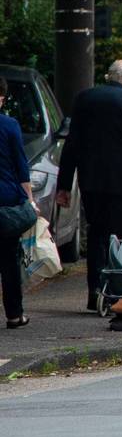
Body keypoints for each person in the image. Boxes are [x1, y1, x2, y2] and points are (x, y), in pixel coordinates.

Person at [57, 59, 122, 313]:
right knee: (118, 238)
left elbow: (72, 144)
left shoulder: (85, 98)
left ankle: (94, 290)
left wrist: (64, 186)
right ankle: (115, 291)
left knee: (97, 234)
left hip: (91, 182)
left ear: (108, 77)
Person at [0, 106, 34, 328]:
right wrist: (29, 199)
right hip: (6, 200)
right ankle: (14, 314)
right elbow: (21, 166)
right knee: (9, 259)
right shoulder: (9, 125)